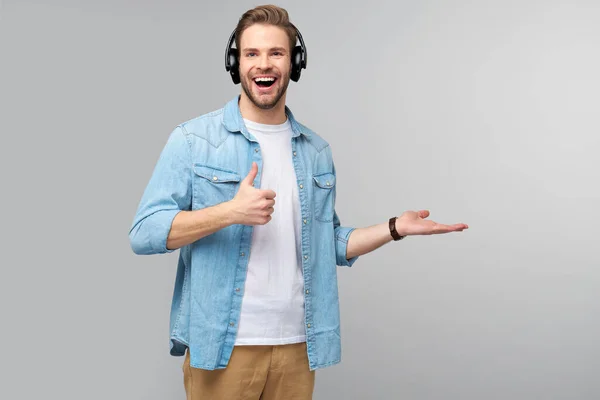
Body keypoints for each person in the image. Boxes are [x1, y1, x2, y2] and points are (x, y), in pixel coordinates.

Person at [129, 4, 468, 399]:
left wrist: (394, 228)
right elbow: (144, 233)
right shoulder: (193, 140)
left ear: (295, 62)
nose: (263, 64)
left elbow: (327, 244)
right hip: (224, 348)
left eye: (276, 53)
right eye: (252, 53)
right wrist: (229, 212)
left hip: (297, 346)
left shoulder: (315, 151)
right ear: (235, 62)